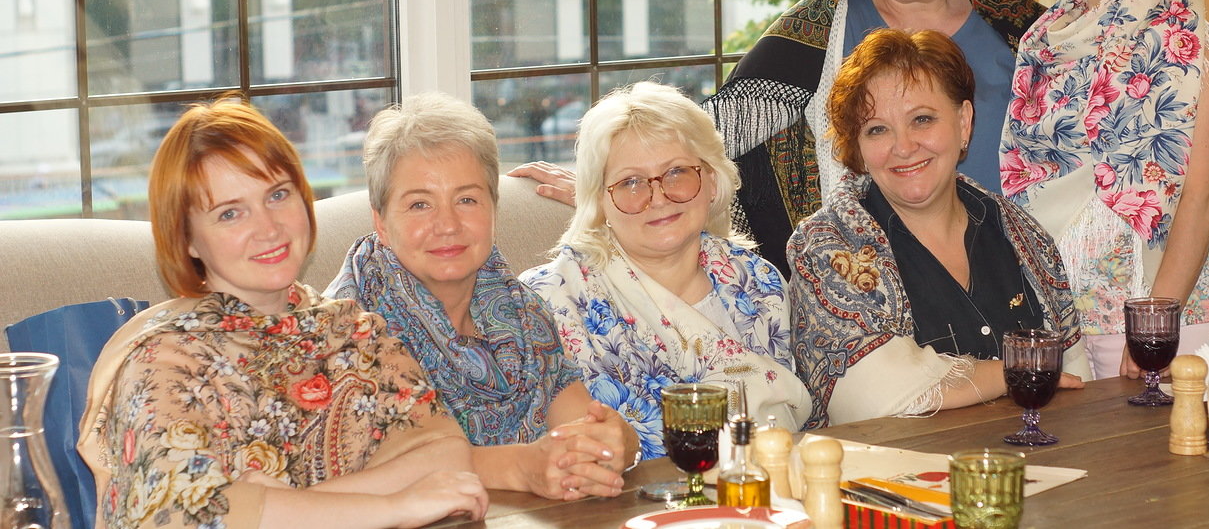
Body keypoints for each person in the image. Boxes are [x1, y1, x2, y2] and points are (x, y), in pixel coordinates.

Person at [79, 98, 488, 529]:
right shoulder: (162, 360)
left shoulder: (351, 331)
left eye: (277, 195)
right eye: (230, 213)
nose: (269, 228)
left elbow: (447, 455)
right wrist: (392, 507)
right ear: (187, 240)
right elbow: (184, 513)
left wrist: (279, 507)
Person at [701, 0, 1045, 274]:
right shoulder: (819, 29)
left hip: (1006, 276)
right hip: (864, 288)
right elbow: (707, 138)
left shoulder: (1022, 31)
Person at [999, 0, 1209, 379]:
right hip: (1063, 326)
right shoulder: (1042, 44)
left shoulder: (1191, 42)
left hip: (1165, 325)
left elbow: (1202, 197)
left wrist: (1154, 326)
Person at [327, 93, 639, 501]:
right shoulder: (343, 332)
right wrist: (518, 466)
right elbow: (358, 470)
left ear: (494, 210)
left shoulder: (523, 312)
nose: (447, 224)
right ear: (381, 222)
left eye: (467, 200)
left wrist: (617, 442)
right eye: (419, 204)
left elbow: (581, 426)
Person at [789, 30, 1087, 427]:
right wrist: (1014, 371)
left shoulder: (1023, 235)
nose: (903, 146)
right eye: (877, 129)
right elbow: (867, 396)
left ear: (963, 122)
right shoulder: (824, 247)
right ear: (857, 146)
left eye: (922, 119)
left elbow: (1075, 378)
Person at [521, 82, 812, 458]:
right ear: (598, 200)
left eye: (677, 172)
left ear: (711, 181)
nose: (658, 197)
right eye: (631, 182)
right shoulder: (548, 301)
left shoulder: (758, 281)